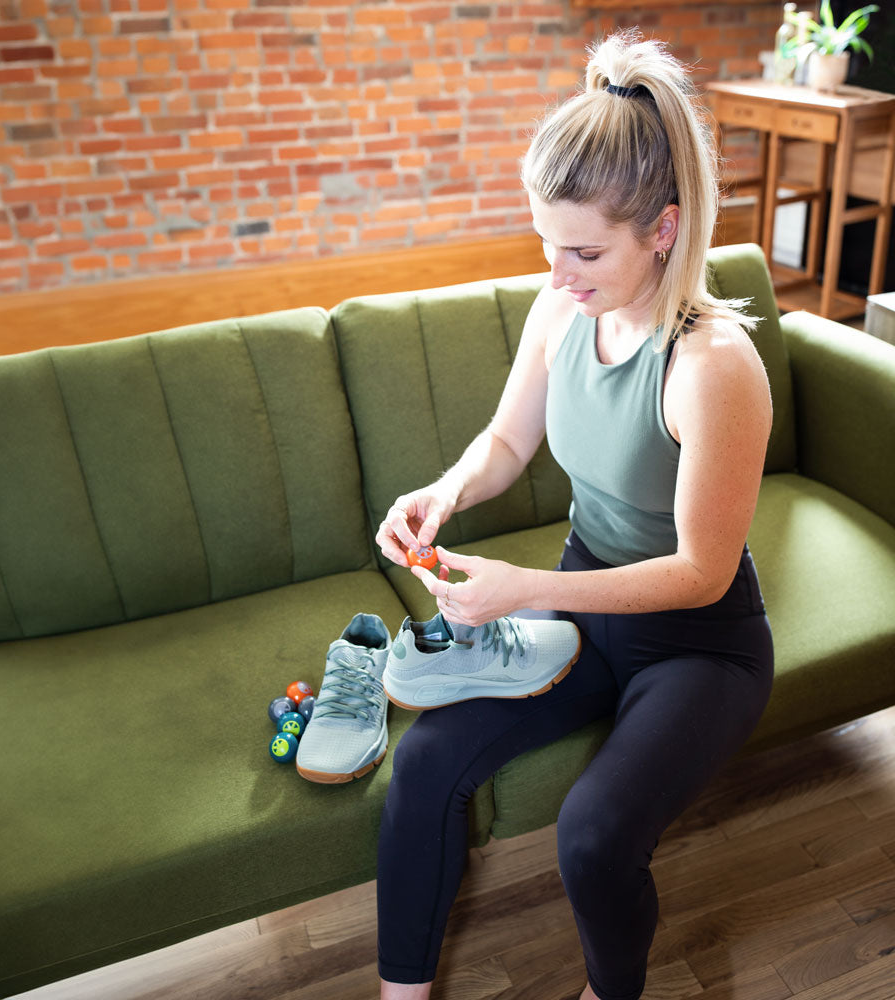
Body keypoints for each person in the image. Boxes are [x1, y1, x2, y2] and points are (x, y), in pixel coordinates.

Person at [372, 29, 775, 1000]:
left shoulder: (713, 367)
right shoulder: (563, 308)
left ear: (665, 229)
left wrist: (525, 586)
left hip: (696, 646)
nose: (557, 273)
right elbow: (505, 444)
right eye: (545, 244)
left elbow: (700, 573)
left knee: (592, 834)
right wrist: (445, 488)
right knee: (425, 763)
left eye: (585, 250)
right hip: (587, 614)